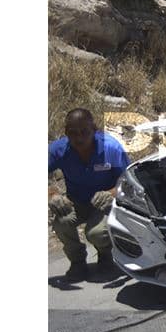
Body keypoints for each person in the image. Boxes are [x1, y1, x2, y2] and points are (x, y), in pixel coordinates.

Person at [48, 108, 130, 281]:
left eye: (84, 132)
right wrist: (51, 194)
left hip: (105, 204)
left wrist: (112, 193)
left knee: (96, 233)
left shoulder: (111, 147)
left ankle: (106, 256)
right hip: (76, 201)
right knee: (61, 223)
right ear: (65, 132)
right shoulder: (58, 150)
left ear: (95, 129)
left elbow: (129, 181)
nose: (79, 138)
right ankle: (77, 262)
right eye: (73, 133)